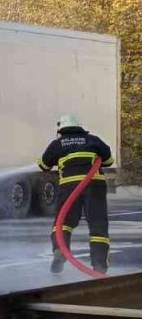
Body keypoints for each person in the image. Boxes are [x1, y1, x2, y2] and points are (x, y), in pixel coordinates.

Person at [38, 115, 114, 274]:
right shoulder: (93, 140)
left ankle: (59, 250)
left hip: (69, 186)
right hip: (94, 185)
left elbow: (44, 165)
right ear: (79, 127)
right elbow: (108, 161)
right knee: (98, 225)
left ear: (61, 129)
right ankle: (99, 265)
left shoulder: (57, 143)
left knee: (63, 222)